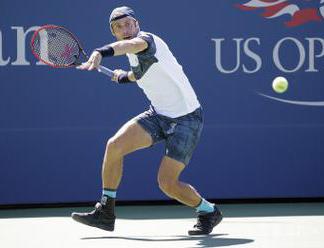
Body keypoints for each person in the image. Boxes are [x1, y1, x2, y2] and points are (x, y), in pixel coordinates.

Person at [71, 6, 222, 235]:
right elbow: (140, 72)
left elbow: (128, 46)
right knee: (114, 146)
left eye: (128, 24)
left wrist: (103, 51)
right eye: (118, 27)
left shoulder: (146, 40)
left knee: (167, 183)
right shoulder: (134, 53)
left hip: (187, 120)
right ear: (114, 32)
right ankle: (106, 211)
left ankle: (209, 211)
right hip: (158, 115)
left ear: (137, 25)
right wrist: (122, 77)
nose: (125, 29)